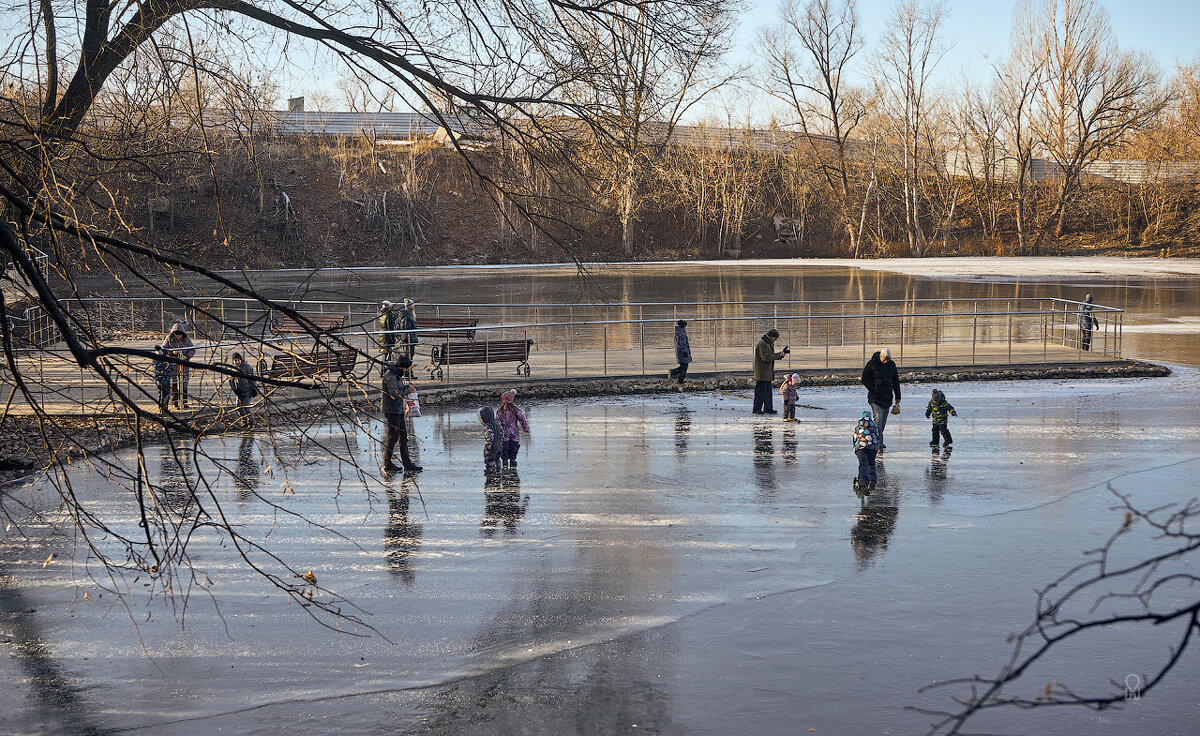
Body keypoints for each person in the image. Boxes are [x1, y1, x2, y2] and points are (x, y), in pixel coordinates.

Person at [381, 357, 422, 472]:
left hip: (398, 410)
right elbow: (396, 394)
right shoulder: (390, 377)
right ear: (401, 367)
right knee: (392, 437)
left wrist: (408, 388)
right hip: (392, 410)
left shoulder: (395, 375)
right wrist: (408, 389)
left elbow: (399, 390)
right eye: (406, 368)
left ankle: (407, 463)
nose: (406, 371)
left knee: (403, 437)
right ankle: (387, 464)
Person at [860, 346, 900, 450]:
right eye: (884, 359)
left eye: (888, 359)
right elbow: (864, 379)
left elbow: (896, 381)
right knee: (878, 419)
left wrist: (898, 396)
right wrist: (872, 389)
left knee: (883, 421)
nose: (886, 361)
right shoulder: (871, 364)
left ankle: (876, 438)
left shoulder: (892, 365)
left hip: (887, 397)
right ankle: (879, 443)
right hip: (875, 397)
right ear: (880, 357)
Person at [160, 322, 196, 409]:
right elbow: (163, 349)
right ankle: (175, 402)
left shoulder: (186, 339)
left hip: (184, 364)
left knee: (184, 383)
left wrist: (186, 356)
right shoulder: (168, 339)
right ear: (173, 334)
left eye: (180, 335)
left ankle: (184, 402)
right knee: (174, 383)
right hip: (173, 364)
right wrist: (172, 352)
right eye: (177, 335)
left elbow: (192, 349)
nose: (178, 337)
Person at [752, 329, 788, 414]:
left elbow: (769, 356)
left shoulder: (768, 343)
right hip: (762, 372)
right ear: (771, 336)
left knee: (767, 392)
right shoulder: (763, 344)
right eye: (775, 338)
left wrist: (780, 355)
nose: (776, 340)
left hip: (766, 372)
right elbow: (766, 357)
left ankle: (768, 408)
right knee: (760, 393)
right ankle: (757, 408)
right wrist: (778, 355)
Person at [496, 389, 530, 467]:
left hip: (506, 432)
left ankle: (507, 461)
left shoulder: (501, 410)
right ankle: (511, 460)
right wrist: (526, 428)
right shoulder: (514, 410)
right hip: (512, 432)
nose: (503, 401)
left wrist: (498, 430)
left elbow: (497, 421)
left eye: (503, 399)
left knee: (507, 447)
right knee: (512, 446)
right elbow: (522, 419)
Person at [853, 410, 880, 496]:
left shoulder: (858, 428)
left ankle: (863, 480)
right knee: (871, 464)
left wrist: (855, 447)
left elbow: (854, 438)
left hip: (861, 448)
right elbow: (878, 437)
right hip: (872, 448)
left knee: (863, 464)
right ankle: (872, 480)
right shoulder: (874, 427)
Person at [229, 352, 259, 427]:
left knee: (245, 406)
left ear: (241, 360)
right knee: (238, 407)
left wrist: (254, 388)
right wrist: (235, 390)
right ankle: (244, 421)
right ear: (233, 361)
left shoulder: (247, 367)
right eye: (235, 361)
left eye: (238, 360)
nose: (237, 362)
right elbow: (231, 380)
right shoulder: (233, 369)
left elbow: (253, 378)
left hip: (248, 391)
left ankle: (251, 421)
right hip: (240, 391)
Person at [479, 406, 502, 474]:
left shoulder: (488, 425)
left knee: (490, 458)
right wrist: (500, 440)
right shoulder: (497, 423)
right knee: (497, 457)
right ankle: (498, 468)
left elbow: (489, 434)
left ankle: (491, 470)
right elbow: (501, 432)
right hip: (499, 444)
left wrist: (489, 443)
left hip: (492, 445)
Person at [152, 346, 173, 412]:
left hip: (158, 380)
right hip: (166, 380)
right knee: (166, 394)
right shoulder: (166, 363)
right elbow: (171, 368)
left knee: (160, 394)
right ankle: (164, 408)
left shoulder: (155, 362)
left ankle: (160, 407)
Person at [400, 298, 418, 362]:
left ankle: (408, 369)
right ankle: (407, 369)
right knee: (410, 354)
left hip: (409, 337)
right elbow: (407, 327)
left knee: (408, 354)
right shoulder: (408, 316)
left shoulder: (405, 315)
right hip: (410, 338)